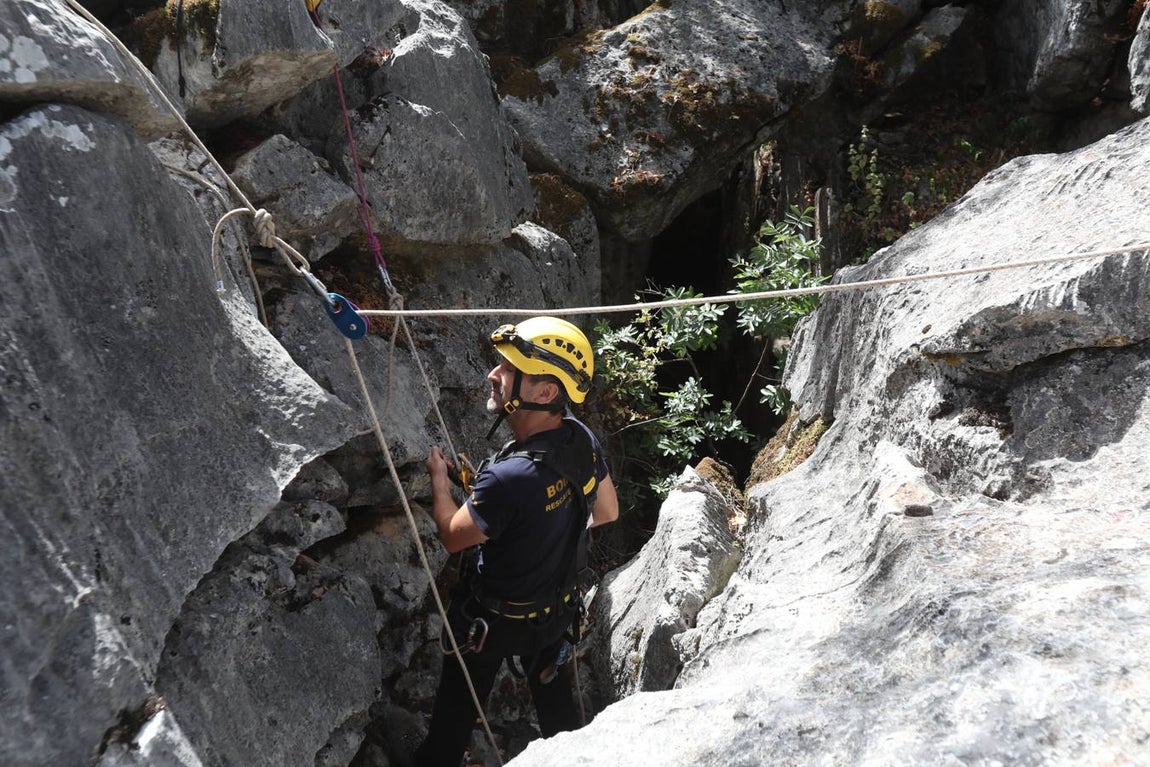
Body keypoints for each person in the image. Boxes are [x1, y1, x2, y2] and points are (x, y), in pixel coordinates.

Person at [413, 316, 619, 767]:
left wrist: (439, 483)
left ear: (545, 392)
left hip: (490, 625)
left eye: (508, 369)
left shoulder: (509, 479)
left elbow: (452, 537)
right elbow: (606, 511)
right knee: (562, 721)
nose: (493, 375)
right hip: (555, 615)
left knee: (449, 732)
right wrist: (544, 524)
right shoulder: (580, 440)